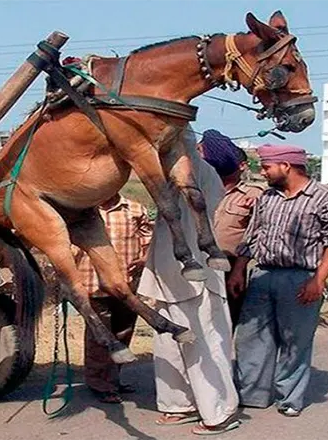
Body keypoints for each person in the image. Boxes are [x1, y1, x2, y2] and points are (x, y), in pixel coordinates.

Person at [227, 144, 328, 417]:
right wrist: (239, 270)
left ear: (286, 166)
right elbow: (253, 236)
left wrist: (318, 280)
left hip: (300, 278)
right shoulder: (267, 197)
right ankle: (252, 394)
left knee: (295, 341)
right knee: (251, 339)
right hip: (263, 276)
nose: (263, 171)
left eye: (267, 166)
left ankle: (289, 398)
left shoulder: (326, 199)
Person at [137, 127, 240, 435]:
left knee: (204, 344)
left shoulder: (196, 170)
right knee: (168, 344)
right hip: (169, 273)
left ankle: (219, 412)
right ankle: (178, 405)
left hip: (196, 276)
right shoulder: (179, 168)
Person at [73, 193, 154, 404]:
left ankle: (113, 378)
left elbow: (148, 237)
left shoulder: (135, 209)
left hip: (126, 286)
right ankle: (100, 383)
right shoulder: (81, 210)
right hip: (92, 284)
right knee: (99, 337)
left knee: (123, 333)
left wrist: (145, 258)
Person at [197, 129, 265, 326]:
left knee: (225, 322)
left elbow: (254, 236)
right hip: (198, 262)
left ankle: (224, 357)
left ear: (242, 166)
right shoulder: (201, 190)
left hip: (230, 266)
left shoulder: (253, 194)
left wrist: (238, 271)